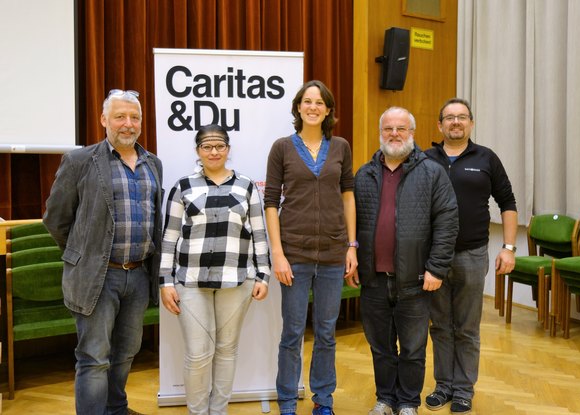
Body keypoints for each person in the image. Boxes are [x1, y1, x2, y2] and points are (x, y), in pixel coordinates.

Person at [43, 89, 163, 415]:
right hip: (97, 276)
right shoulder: (80, 161)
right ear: (103, 120)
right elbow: (56, 219)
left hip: (138, 275)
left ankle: (116, 407)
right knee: (94, 356)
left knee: (126, 351)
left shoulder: (153, 164)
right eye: (120, 117)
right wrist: (83, 256)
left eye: (134, 117)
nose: (128, 124)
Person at [354, 106, 459, 415]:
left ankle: (409, 402)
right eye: (389, 129)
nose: (395, 134)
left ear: (412, 133)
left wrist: (436, 268)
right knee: (381, 347)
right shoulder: (364, 174)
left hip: (415, 280)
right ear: (380, 133)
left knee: (413, 349)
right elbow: (352, 224)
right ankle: (385, 399)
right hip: (373, 279)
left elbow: (447, 222)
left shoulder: (432, 173)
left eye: (402, 128)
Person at [159, 124, 270, 415]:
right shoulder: (183, 187)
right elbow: (169, 237)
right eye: (207, 146)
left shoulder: (246, 186)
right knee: (198, 356)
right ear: (198, 151)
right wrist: (165, 281)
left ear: (228, 149)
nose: (214, 151)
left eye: (219, 146)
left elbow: (260, 233)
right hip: (190, 281)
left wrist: (263, 274)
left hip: (237, 280)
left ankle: (218, 411)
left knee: (226, 350)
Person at [264, 80, 357, 415]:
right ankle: (287, 400)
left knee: (327, 333)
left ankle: (323, 400)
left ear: (328, 110)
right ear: (298, 107)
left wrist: (352, 245)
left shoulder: (341, 147)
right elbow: (271, 202)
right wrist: (278, 253)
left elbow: (348, 195)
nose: (313, 107)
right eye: (307, 101)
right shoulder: (282, 148)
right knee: (291, 333)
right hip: (295, 255)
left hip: (333, 254)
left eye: (320, 102)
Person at [425, 98, 517, 414]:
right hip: (434, 259)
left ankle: (464, 390)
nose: (455, 122)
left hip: (472, 255)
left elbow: (508, 202)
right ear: (439, 125)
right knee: (439, 325)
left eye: (461, 117)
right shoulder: (425, 159)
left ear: (471, 123)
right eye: (449, 117)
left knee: (466, 327)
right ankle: (443, 386)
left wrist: (508, 248)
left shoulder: (487, 158)